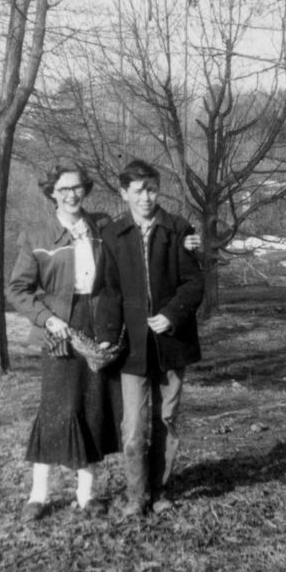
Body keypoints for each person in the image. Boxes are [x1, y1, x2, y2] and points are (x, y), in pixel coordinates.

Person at [7, 161, 121, 522]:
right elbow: (18, 290)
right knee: (56, 409)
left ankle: (87, 495)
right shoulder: (37, 235)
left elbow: (139, 245)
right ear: (51, 193)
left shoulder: (103, 226)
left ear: (85, 190)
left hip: (98, 323)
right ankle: (39, 496)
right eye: (64, 189)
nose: (72, 195)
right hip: (59, 328)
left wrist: (186, 238)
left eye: (77, 188)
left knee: (91, 408)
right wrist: (47, 319)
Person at [96, 159, 204, 517]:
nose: (146, 197)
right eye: (138, 191)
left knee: (166, 419)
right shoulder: (112, 235)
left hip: (172, 343)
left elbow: (194, 282)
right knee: (133, 427)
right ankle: (136, 495)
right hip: (133, 349)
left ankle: (158, 491)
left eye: (152, 189)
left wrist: (171, 314)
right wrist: (107, 337)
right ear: (123, 193)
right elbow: (109, 291)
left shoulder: (178, 228)